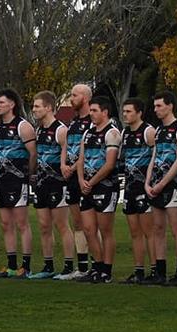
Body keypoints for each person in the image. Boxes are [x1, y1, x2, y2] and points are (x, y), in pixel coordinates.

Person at [143, 91, 177, 286]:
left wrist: (162, 183)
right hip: (155, 184)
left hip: (172, 184)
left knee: (176, 227)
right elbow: (154, 156)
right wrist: (148, 182)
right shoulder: (159, 130)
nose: (156, 110)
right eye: (154, 106)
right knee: (158, 227)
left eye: (159, 106)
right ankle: (159, 271)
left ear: (170, 106)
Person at [30, 91, 75, 279]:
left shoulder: (61, 130)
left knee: (62, 225)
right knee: (43, 226)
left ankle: (68, 266)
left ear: (48, 107)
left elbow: (69, 156)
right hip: (41, 184)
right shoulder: (39, 129)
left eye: (37, 106)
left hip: (58, 184)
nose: (34, 110)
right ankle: (48, 266)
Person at [0, 89, 37, 278]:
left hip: (18, 182)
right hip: (2, 182)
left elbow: (33, 153)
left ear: (12, 104)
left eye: (2, 102)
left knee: (22, 223)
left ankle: (25, 266)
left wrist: (29, 174)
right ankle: (11, 265)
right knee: (5, 223)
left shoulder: (23, 126)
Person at [76, 96, 121, 283]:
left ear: (105, 112)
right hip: (87, 187)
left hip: (105, 186)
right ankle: (96, 266)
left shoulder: (112, 133)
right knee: (88, 229)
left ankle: (106, 270)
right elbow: (80, 158)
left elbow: (110, 164)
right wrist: (81, 180)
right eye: (91, 110)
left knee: (105, 230)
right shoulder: (88, 133)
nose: (91, 114)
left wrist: (91, 181)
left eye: (95, 111)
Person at [57, 84, 94, 280]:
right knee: (77, 223)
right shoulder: (72, 123)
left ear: (86, 98)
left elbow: (88, 150)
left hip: (86, 177)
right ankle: (81, 266)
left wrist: (75, 166)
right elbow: (66, 145)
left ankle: (98, 265)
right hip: (70, 178)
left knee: (91, 225)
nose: (71, 98)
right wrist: (63, 164)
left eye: (74, 95)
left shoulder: (93, 121)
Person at [119, 97, 157, 284]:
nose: (125, 115)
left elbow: (156, 156)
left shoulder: (148, 132)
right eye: (124, 111)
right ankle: (138, 270)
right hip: (129, 188)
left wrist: (149, 181)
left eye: (129, 111)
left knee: (149, 231)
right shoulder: (125, 133)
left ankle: (155, 270)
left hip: (144, 188)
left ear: (139, 113)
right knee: (134, 232)